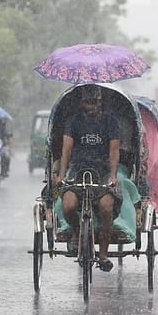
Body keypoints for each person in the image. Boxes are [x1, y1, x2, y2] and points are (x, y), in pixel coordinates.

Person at [54, 85, 121, 272]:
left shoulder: (110, 121)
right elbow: (66, 150)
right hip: (78, 171)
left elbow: (114, 150)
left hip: (103, 172)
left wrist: (114, 176)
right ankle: (77, 231)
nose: (92, 106)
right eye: (88, 102)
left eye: (95, 102)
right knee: (68, 206)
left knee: (106, 207)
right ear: (82, 103)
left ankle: (103, 254)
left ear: (100, 103)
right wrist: (61, 175)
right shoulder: (73, 121)